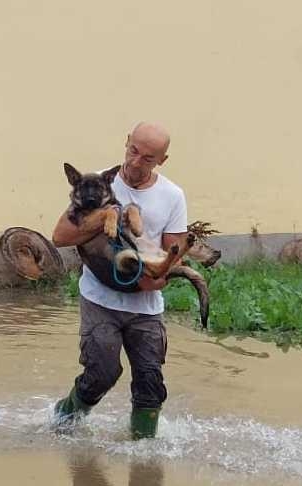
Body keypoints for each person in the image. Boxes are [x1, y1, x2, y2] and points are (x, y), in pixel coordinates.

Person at [50, 121, 189, 440]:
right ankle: (62, 422)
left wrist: (160, 279)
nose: (135, 162)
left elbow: (174, 250)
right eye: (133, 151)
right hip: (101, 299)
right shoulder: (96, 183)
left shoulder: (172, 195)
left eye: (148, 158)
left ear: (162, 161)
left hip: (146, 304)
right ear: (126, 143)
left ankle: (144, 455)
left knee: (150, 383)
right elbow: (60, 236)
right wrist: (102, 219)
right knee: (101, 374)